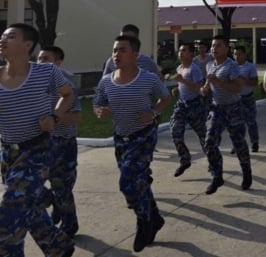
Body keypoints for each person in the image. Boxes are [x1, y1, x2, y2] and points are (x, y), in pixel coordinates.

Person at [0, 23, 75, 257]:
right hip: (9, 153)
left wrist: (55, 116)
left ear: (27, 45)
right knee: (29, 207)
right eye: (2, 36)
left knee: (8, 220)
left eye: (10, 36)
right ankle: (58, 246)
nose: (3, 40)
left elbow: (68, 95)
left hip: (37, 150)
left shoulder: (46, 72)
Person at [93, 35, 170, 252]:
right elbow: (97, 103)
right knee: (139, 182)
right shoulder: (106, 81)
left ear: (135, 55)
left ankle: (144, 222)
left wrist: (153, 112)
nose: (116, 55)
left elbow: (165, 98)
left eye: (122, 50)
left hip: (143, 136)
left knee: (127, 183)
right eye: (114, 50)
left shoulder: (148, 79)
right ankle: (154, 216)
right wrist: (100, 111)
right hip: (121, 138)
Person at [36, 46, 81, 239]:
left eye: (46, 59)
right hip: (39, 144)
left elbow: (77, 117)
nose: (40, 62)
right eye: (38, 59)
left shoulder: (65, 85)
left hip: (63, 143)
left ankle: (70, 224)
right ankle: (52, 199)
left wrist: (54, 118)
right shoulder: (32, 83)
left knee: (62, 187)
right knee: (31, 186)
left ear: (57, 62)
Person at [199, 35, 252, 195]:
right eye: (213, 46)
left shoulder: (231, 66)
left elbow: (238, 88)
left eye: (219, 46)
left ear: (227, 49)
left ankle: (246, 171)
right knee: (209, 142)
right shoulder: (209, 65)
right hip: (217, 109)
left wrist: (219, 82)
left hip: (234, 108)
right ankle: (217, 176)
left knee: (239, 144)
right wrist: (204, 89)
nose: (214, 48)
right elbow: (207, 85)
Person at [170, 43, 207, 178]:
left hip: (195, 105)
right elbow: (182, 85)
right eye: (180, 50)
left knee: (204, 136)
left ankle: (213, 161)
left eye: (184, 50)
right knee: (175, 131)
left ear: (191, 54)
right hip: (182, 105)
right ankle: (185, 159)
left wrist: (183, 82)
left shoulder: (194, 69)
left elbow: (199, 86)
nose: (181, 53)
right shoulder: (179, 68)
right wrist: (177, 89)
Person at [232, 45, 260, 153]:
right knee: (236, 123)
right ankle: (237, 144)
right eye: (235, 54)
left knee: (251, 121)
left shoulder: (250, 67)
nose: (237, 56)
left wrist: (245, 81)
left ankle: (254, 142)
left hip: (247, 98)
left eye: (239, 54)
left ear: (244, 55)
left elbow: (255, 82)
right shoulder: (231, 66)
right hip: (235, 98)